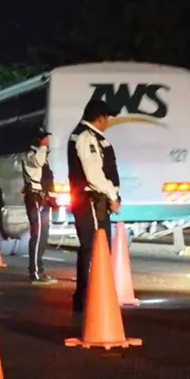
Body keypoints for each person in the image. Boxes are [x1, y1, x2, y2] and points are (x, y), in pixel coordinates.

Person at [67, 99, 121, 312]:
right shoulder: (86, 137)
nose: (107, 122)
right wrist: (112, 196)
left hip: (93, 200)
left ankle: (89, 295)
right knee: (95, 247)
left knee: (95, 247)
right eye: (106, 118)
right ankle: (89, 296)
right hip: (91, 200)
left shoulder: (91, 136)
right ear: (99, 118)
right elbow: (94, 174)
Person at [22, 126, 57, 284]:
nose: (47, 141)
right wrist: (43, 147)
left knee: (43, 235)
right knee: (37, 235)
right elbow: (38, 162)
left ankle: (39, 270)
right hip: (35, 199)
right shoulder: (31, 156)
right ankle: (35, 273)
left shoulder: (41, 156)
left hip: (43, 199)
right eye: (44, 138)